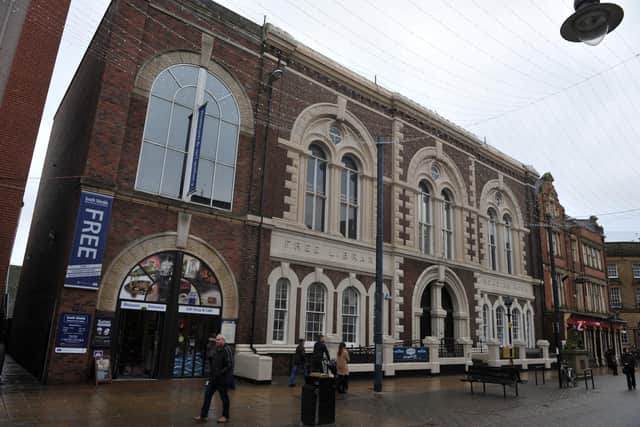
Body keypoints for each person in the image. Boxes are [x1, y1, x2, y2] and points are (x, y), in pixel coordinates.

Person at [194, 334, 234, 423]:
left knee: (224, 398)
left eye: (219, 340)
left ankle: (225, 416)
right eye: (216, 339)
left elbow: (229, 365)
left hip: (222, 379)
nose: (217, 341)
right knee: (207, 396)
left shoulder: (227, 349)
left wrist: (220, 373)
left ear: (223, 340)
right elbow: (211, 359)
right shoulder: (215, 349)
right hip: (213, 378)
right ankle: (203, 415)